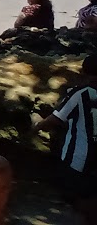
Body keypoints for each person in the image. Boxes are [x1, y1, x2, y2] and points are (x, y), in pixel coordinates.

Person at [36, 53, 97, 225]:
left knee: (78, 202)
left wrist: (36, 124)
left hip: (77, 160)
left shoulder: (81, 94)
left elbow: (55, 119)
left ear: (84, 73)